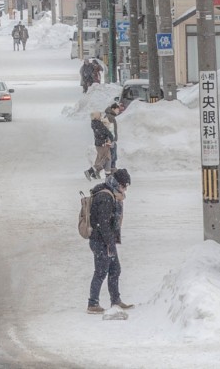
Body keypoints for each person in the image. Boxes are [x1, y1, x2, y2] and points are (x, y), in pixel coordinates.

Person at [86, 168, 131, 313]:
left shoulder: (111, 193)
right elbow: (103, 223)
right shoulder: (106, 197)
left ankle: (115, 300)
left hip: (106, 240)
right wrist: (109, 243)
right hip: (100, 241)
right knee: (101, 271)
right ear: (118, 183)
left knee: (115, 269)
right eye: (124, 186)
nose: (125, 190)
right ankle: (93, 303)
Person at [87, 107, 115, 180]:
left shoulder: (94, 123)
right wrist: (111, 137)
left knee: (103, 158)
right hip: (102, 144)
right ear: (97, 116)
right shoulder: (98, 124)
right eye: (100, 115)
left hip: (100, 143)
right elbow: (106, 132)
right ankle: (91, 171)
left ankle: (103, 174)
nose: (101, 116)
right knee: (105, 158)